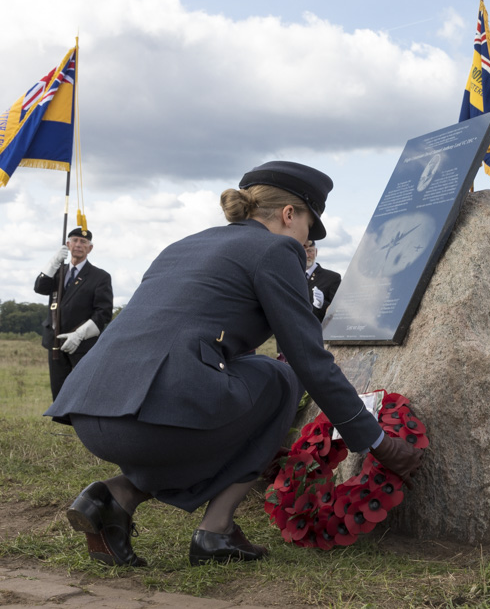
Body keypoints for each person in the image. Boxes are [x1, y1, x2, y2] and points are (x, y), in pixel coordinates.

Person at [46, 161, 423, 567]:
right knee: (281, 378)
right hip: (150, 422)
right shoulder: (277, 250)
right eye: (309, 229)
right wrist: (377, 442)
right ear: (289, 214)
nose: (305, 240)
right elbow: (308, 358)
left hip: (93, 412)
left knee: (237, 392)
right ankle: (216, 529)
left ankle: (117, 496)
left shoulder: (184, 244)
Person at [33, 227, 113, 424]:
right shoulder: (58, 273)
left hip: (82, 342)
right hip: (55, 339)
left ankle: (85, 424)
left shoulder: (100, 276)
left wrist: (79, 334)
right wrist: (53, 262)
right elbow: (39, 288)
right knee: (58, 384)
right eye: (75, 240)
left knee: (83, 386)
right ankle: (63, 423)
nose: (79, 245)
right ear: (68, 245)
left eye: (83, 242)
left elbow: (103, 313)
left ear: (90, 248)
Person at [304, 239, 341, 323]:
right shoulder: (293, 278)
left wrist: (322, 304)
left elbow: (339, 312)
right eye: (303, 251)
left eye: (310, 251)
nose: (307, 255)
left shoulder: (332, 278)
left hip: (319, 333)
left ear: (316, 252)